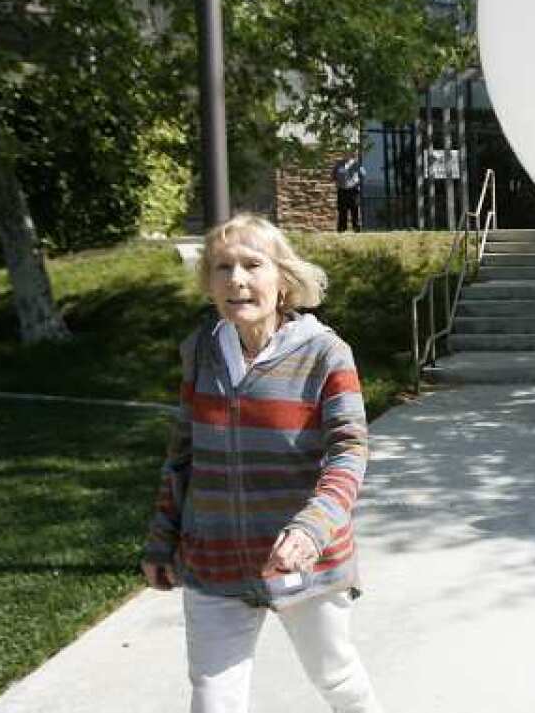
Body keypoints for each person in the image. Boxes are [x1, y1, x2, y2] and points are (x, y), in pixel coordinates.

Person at [141, 213, 382, 713]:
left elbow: (349, 450)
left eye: (252, 264)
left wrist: (311, 529)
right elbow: (183, 451)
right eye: (222, 267)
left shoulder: (325, 354)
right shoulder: (202, 351)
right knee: (214, 701)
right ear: (209, 281)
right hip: (214, 558)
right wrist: (163, 538)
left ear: (283, 280)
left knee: (336, 679)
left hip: (305, 561)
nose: (237, 280)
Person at [332, 155, 364, 233]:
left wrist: (357, 183)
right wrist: (337, 183)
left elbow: (363, 175)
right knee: (342, 211)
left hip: (353, 190)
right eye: (345, 152)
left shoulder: (356, 164)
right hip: (342, 190)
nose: (347, 155)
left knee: (355, 210)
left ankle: (356, 229)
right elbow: (333, 176)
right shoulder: (338, 164)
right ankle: (342, 229)